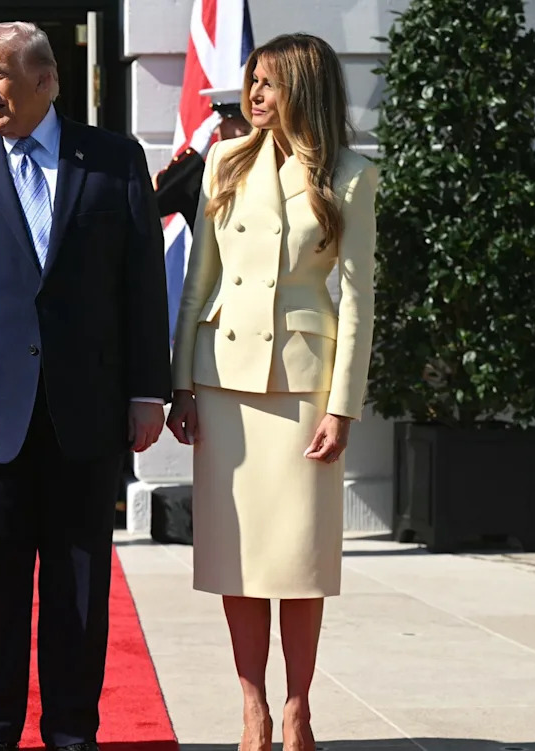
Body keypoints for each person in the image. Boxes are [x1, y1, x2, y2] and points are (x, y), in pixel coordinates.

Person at [0, 22, 172, 751]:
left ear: (46, 80)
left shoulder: (114, 159)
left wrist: (148, 391)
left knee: (79, 584)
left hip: (87, 408)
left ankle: (71, 731)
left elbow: (143, 282)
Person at [165, 34, 378, 751]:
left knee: (299, 557)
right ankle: (253, 705)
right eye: (252, 81)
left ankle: (298, 707)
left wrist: (342, 407)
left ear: (304, 89)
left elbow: (358, 301)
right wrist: (181, 384)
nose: (253, 95)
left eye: (268, 83)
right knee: (240, 555)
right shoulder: (224, 160)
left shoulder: (352, 176)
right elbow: (199, 279)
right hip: (223, 380)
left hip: (303, 387)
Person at [154, 86, 253, 228]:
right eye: (231, 120)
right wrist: (193, 154)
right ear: (217, 125)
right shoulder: (199, 177)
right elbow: (156, 202)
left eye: (246, 119)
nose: (242, 128)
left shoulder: (266, 165)